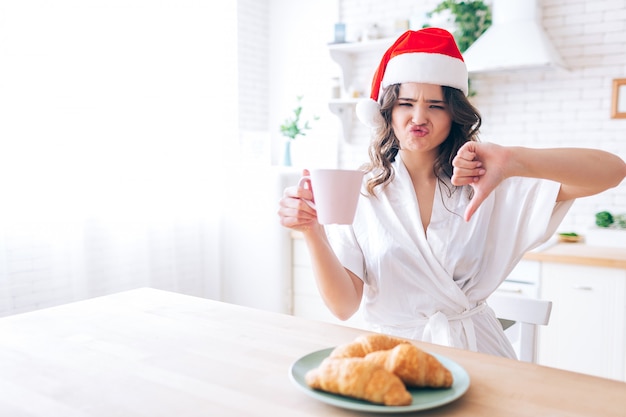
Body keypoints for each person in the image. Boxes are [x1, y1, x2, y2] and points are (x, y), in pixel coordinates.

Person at [277, 28, 626, 358]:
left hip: (477, 354)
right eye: (406, 103)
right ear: (387, 112)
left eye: (436, 105)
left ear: (454, 115)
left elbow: (612, 171)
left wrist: (513, 159)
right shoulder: (363, 190)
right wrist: (313, 232)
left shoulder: (487, 178)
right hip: (393, 358)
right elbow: (343, 306)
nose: (419, 117)